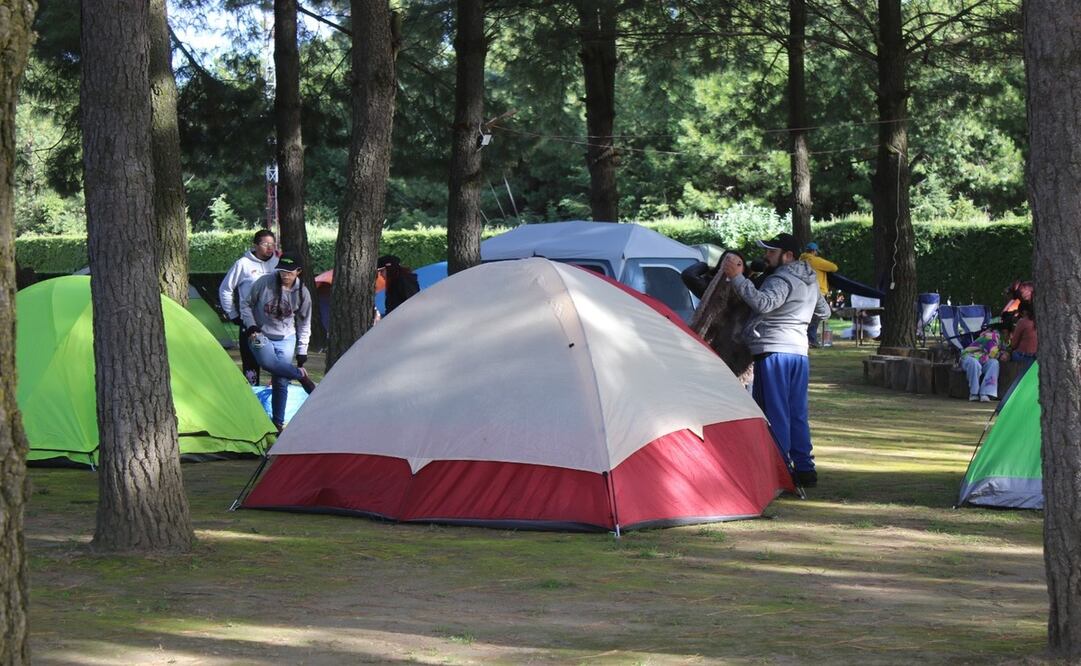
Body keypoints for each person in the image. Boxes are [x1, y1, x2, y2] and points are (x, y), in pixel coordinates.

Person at [721, 232, 830, 488]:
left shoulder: (781, 278)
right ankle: (805, 469)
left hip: (774, 349)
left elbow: (764, 303)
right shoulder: (810, 278)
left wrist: (737, 278)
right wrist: (798, 320)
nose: (766, 256)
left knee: (775, 411)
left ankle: (778, 471)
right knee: (797, 412)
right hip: (798, 352)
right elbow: (824, 311)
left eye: (771, 252)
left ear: (788, 256)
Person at [240, 252, 316, 432]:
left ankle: (278, 424)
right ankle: (300, 375)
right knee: (268, 362)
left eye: (289, 272)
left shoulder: (302, 293)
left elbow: (305, 323)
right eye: (282, 271)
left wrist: (302, 351)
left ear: (298, 271)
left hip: (286, 337)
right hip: (260, 334)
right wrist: (251, 326)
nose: (285, 275)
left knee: (281, 380)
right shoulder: (264, 283)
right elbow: (246, 304)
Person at [219, 229, 279, 385]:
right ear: (255, 245)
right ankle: (252, 394)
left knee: (277, 360)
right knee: (251, 362)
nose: (270, 248)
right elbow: (225, 288)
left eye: (272, 244)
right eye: (266, 244)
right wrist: (233, 314)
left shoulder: (278, 263)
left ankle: (275, 394)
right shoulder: (243, 264)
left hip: (274, 322)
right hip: (250, 321)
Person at [799, 242, 838, 347]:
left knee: (808, 316)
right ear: (814, 251)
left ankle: (807, 339)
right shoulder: (815, 260)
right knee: (816, 316)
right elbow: (834, 267)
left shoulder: (800, 260)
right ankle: (811, 340)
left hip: (804, 291)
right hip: (818, 292)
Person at [960, 324, 1006, 402]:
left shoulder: (1000, 340)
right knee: (975, 364)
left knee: (994, 363)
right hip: (969, 357)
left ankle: (985, 393)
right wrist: (1002, 354)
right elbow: (992, 352)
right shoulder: (991, 336)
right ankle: (974, 393)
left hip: (982, 359)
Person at [1004, 302, 1037, 370]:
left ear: (1024, 312)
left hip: (1024, 356)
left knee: (1011, 354)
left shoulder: (1022, 321)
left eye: (1020, 313)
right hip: (1037, 356)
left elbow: (1013, 344)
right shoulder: (1040, 320)